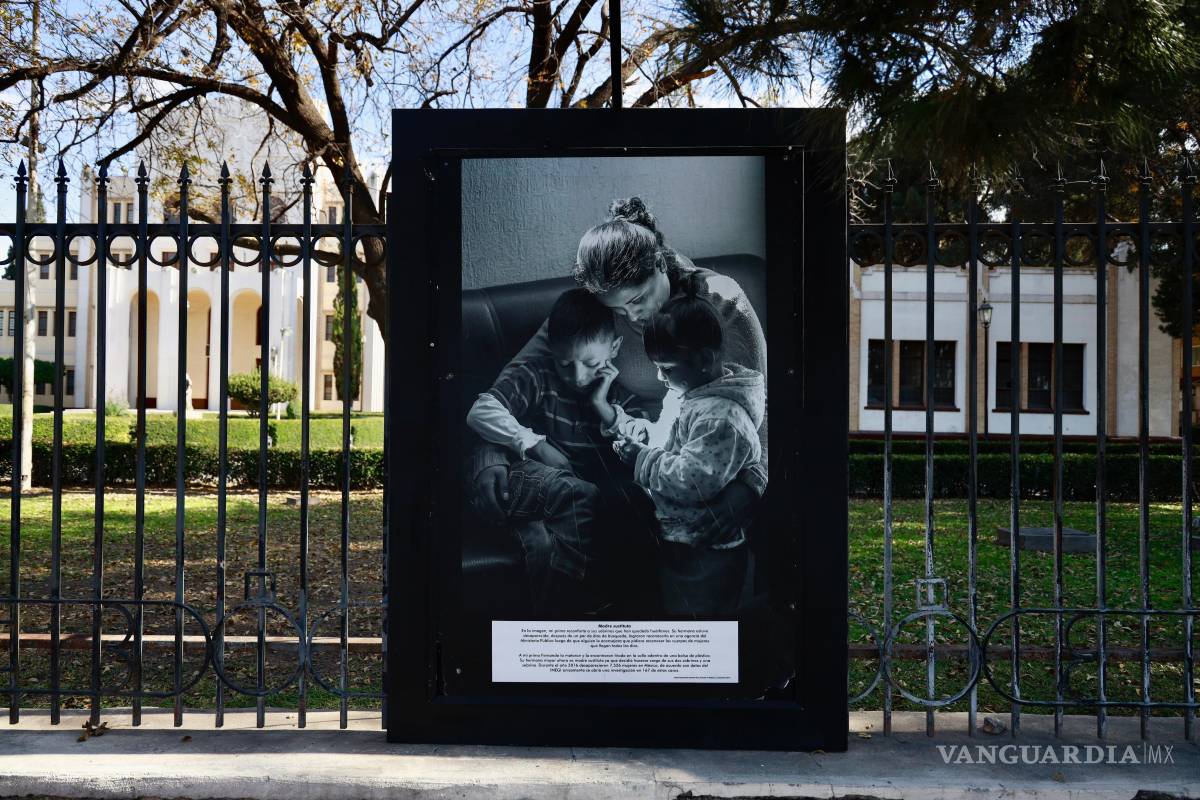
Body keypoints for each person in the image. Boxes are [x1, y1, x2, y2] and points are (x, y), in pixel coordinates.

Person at [472, 197, 768, 546]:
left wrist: (751, 487)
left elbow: (759, 404)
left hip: (714, 463)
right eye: (617, 309)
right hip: (640, 461)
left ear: (660, 263)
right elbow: (515, 381)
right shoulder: (598, 307)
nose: (632, 316)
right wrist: (490, 456)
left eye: (638, 299)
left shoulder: (720, 301)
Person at [466, 288, 643, 613]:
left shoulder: (620, 399)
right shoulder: (538, 376)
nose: (577, 376)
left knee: (543, 543)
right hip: (525, 475)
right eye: (565, 364)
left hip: (556, 506)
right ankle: (583, 605)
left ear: (615, 349)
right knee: (578, 492)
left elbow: (640, 446)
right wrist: (535, 444)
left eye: (591, 364)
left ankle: (556, 618)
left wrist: (601, 406)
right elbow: (481, 411)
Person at [613, 286, 765, 616]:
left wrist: (643, 459)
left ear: (705, 360)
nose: (659, 376)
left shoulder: (721, 418)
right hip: (680, 533)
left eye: (667, 367)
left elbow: (693, 479)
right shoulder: (690, 391)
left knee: (698, 623)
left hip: (706, 546)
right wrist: (648, 435)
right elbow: (679, 442)